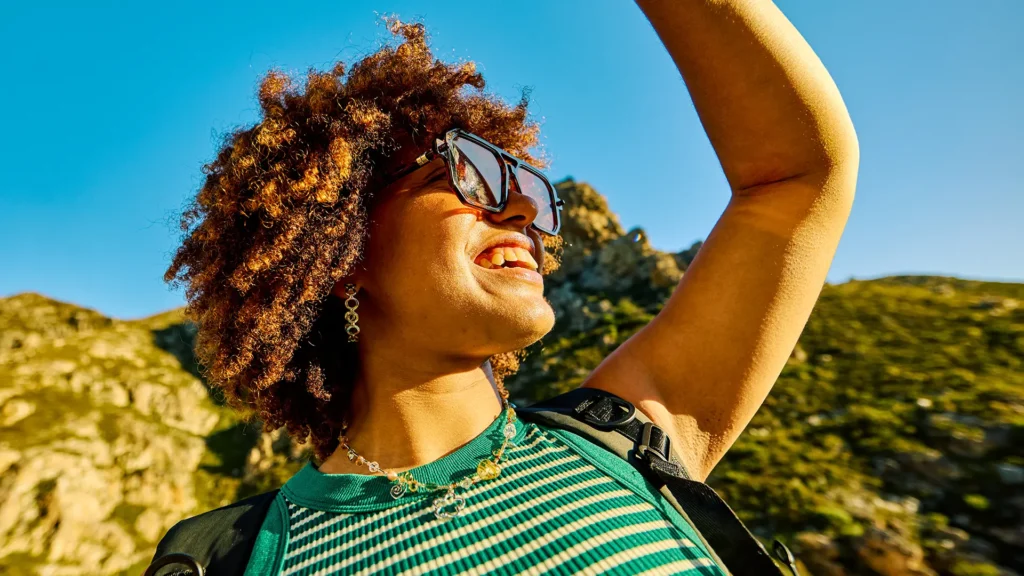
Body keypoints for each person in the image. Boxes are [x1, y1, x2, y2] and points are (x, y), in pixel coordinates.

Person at [160, 1, 858, 574]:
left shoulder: (630, 438)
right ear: (342, 249)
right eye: (466, 178)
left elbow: (796, 176)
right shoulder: (241, 560)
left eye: (527, 187)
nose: (523, 211)